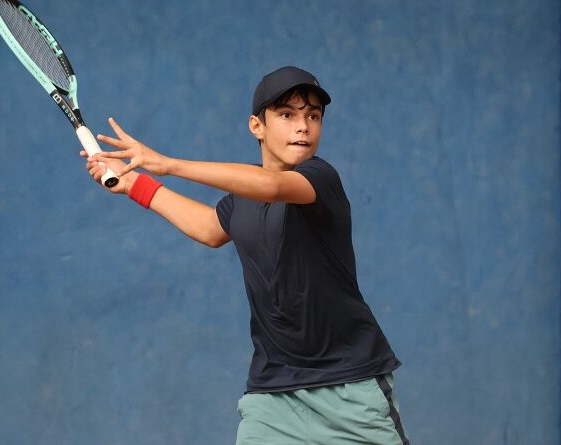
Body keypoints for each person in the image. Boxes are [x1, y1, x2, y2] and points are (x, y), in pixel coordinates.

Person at [83, 66, 410, 445]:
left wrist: (169, 164)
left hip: (350, 389)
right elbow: (209, 228)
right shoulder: (242, 200)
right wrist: (135, 183)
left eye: (313, 116)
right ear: (257, 126)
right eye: (287, 115)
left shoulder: (320, 179)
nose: (302, 126)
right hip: (273, 395)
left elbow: (271, 185)